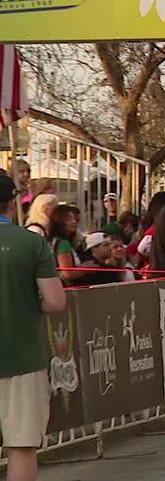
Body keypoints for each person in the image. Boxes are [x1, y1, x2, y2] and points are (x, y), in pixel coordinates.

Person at [0, 175, 67, 481]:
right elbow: (55, 302)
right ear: (12, 205)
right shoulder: (32, 243)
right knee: (22, 446)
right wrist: (26, 302)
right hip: (23, 358)